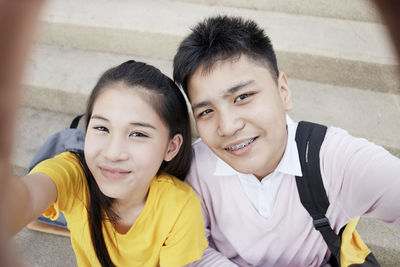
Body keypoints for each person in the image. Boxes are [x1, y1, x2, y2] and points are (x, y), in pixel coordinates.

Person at [173, 15, 400, 266]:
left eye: (243, 96)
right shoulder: (193, 169)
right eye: (206, 111)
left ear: (283, 91)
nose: (227, 127)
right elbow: (190, 249)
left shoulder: (333, 160)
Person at [4, 60, 207, 267]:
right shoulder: (74, 174)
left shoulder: (179, 208)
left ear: (171, 147)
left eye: (138, 134)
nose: (113, 153)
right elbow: (27, 197)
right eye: (102, 128)